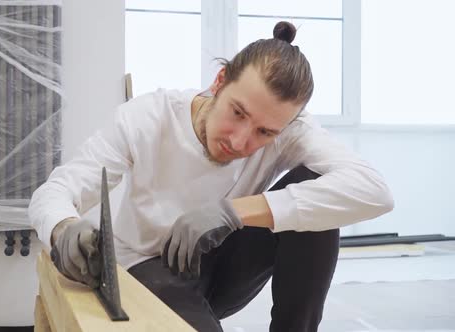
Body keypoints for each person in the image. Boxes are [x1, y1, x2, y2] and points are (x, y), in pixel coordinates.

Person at [29, 21, 394, 331]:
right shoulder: (148, 117)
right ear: (219, 81)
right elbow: (56, 190)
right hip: (150, 270)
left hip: (223, 266)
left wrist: (233, 212)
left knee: (315, 190)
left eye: (264, 133)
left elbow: (375, 191)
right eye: (237, 112)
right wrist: (63, 227)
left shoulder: (290, 130)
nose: (240, 141)